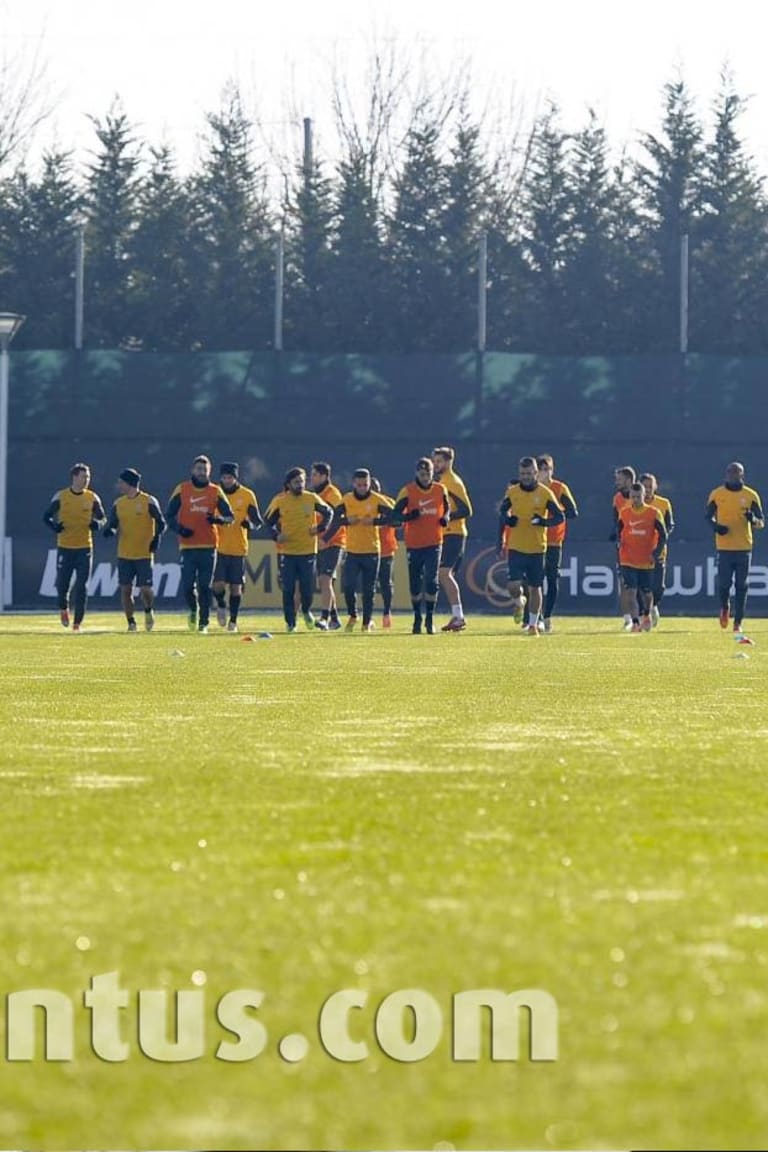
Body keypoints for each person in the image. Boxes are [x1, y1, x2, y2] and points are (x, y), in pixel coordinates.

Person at [165, 455, 234, 634]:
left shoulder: (215, 491)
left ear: (209, 471)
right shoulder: (182, 489)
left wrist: (217, 519)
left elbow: (230, 517)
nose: (202, 472)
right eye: (199, 469)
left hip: (208, 546)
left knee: (205, 586)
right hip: (187, 547)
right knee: (188, 586)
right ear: (192, 470)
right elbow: (168, 516)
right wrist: (180, 529)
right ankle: (193, 610)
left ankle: (203, 623)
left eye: (205, 469)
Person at [497, 457, 564, 636]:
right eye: (522, 474)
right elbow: (502, 511)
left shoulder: (545, 493)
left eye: (529, 473)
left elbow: (560, 517)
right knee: (513, 586)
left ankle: (534, 624)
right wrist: (508, 519)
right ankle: (519, 601)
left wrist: (543, 521)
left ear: (536, 473)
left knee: (536, 587)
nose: (525, 477)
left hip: (537, 548)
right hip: (517, 547)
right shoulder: (512, 492)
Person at [264, 467, 333, 632]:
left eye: (302, 481)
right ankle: (290, 623)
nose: (300, 485)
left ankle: (306, 610)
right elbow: (267, 521)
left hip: (308, 551)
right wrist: (276, 535)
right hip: (287, 552)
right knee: (288, 589)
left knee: (307, 588)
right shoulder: (280, 501)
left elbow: (329, 512)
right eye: (296, 482)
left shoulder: (311, 498)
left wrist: (320, 527)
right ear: (288, 484)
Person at [325, 469, 393, 632]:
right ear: (354, 483)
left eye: (365, 485)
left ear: (369, 484)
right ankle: (353, 615)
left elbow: (395, 517)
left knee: (368, 590)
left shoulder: (377, 499)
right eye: (359, 485)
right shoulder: (347, 499)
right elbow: (335, 519)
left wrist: (376, 521)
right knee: (348, 586)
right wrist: (345, 522)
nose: (363, 488)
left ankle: (366, 623)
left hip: (371, 551)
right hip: (353, 551)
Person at [43, 462, 106, 632]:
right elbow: (46, 517)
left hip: (85, 548)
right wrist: (55, 527)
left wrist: (97, 524)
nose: (86, 480)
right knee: (62, 584)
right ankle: (64, 609)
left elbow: (103, 518)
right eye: (83, 476)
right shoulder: (61, 496)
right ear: (74, 477)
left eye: (88, 477)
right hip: (65, 547)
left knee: (82, 585)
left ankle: (77, 624)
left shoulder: (92, 497)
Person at [103, 468, 166, 632]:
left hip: (144, 553)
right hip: (124, 553)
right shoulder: (119, 503)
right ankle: (131, 622)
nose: (119, 485)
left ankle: (148, 610)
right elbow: (113, 524)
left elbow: (161, 523)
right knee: (126, 589)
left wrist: (156, 539)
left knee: (145, 589)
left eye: (121, 482)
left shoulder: (148, 501)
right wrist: (110, 531)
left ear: (129, 483)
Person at [392, 457, 450, 634]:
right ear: (417, 473)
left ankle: (430, 618)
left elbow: (447, 508)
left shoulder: (440, 489)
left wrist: (446, 518)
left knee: (432, 582)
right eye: (422, 474)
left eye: (428, 474)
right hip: (414, 544)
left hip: (434, 542)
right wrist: (409, 517)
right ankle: (417, 617)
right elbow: (395, 514)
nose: (425, 477)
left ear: (433, 473)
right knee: (415, 582)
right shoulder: (408, 491)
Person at [706, 461, 765, 632]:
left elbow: (761, 522)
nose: (733, 475)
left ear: (742, 475)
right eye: (731, 472)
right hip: (724, 547)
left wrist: (752, 519)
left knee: (742, 585)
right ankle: (725, 607)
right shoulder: (717, 494)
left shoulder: (750, 495)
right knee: (724, 584)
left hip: (743, 547)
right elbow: (707, 517)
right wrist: (716, 527)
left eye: (737, 473)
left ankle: (738, 622)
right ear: (726, 474)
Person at [212, 462, 263, 633]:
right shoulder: (214, 493)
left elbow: (258, 521)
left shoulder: (247, 495)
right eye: (224, 477)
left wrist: (249, 524)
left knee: (236, 587)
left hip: (238, 548)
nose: (227, 481)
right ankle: (220, 603)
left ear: (236, 478)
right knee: (218, 585)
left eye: (230, 477)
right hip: (218, 547)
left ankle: (233, 621)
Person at [533, 454, 578, 632]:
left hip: (553, 541)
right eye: (542, 469)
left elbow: (573, 512)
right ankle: (536, 617)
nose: (545, 473)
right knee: (533, 580)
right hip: (534, 540)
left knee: (551, 578)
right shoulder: (531, 489)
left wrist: (556, 513)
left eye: (548, 469)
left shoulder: (559, 488)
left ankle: (548, 616)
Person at [431, 446, 473, 632]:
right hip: (446, 534)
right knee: (445, 575)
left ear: (449, 462)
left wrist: (445, 517)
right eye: (435, 461)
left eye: (439, 461)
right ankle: (456, 616)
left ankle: (459, 616)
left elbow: (466, 510)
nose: (436, 464)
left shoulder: (452, 482)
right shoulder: (441, 481)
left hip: (454, 534)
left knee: (444, 574)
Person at [616, 482, 667, 631]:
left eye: (638, 497)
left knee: (646, 592)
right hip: (628, 559)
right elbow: (619, 531)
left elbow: (663, 535)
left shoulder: (653, 513)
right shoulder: (624, 513)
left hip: (646, 559)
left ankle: (646, 614)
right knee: (631, 591)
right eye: (633, 497)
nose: (635, 500)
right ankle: (635, 622)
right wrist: (619, 542)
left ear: (644, 496)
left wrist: (656, 552)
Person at [310, 461, 345, 630]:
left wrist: (326, 538)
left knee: (325, 579)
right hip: (321, 542)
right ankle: (334, 618)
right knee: (325, 581)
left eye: (315, 475)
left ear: (324, 476)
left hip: (334, 542)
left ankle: (324, 617)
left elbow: (338, 519)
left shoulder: (332, 493)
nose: (312, 478)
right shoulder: (316, 494)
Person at [640, 473, 674, 627]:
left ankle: (653, 606)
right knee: (642, 585)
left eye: (650, 486)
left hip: (658, 550)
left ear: (655, 486)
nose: (647, 489)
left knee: (658, 586)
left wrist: (662, 535)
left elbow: (670, 525)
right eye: (644, 486)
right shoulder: (634, 504)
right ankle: (644, 614)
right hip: (639, 551)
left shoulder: (664, 503)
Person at [611, 465, 638, 629]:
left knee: (642, 586)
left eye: (619, 479)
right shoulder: (617, 498)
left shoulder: (640, 496)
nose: (617, 482)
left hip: (642, 547)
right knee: (623, 582)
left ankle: (646, 612)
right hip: (625, 547)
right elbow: (616, 522)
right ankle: (628, 619)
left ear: (628, 480)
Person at [371, 476, 398, 628]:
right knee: (369, 584)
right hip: (367, 548)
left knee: (385, 582)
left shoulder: (388, 503)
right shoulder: (362, 503)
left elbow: (397, 521)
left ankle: (387, 612)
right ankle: (369, 616)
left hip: (386, 548)